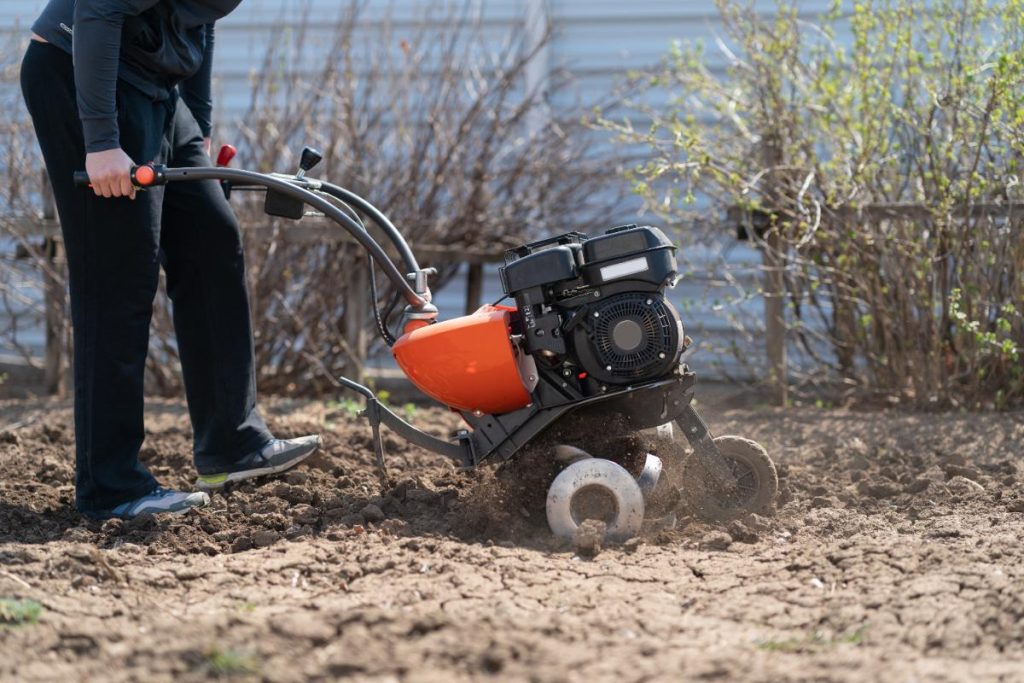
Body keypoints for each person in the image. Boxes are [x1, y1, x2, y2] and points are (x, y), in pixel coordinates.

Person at [20, 0, 321, 520]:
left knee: (211, 238)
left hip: (156, 85)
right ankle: (110, 487)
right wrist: (101, 141)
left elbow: (197, 17)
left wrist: (199, 126)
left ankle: (233, 442)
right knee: (121, 272)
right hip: (84, 70)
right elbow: (97, 8)